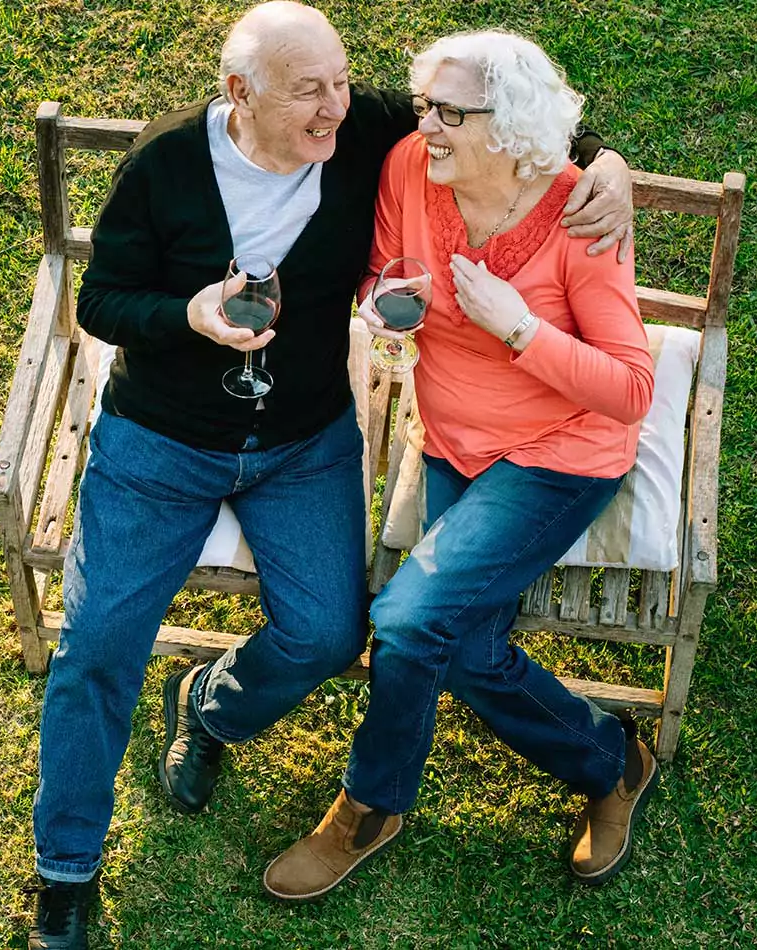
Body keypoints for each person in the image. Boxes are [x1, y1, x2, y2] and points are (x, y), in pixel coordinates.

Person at [26, 6, 635, 947]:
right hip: (163, 440)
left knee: (333, 631)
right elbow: (103, 299)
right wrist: (187, 315)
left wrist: (603, 163)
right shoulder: (170, 165)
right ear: (241, 94)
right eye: (310, 90)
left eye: (344, 83)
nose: (337, 108)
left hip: (303, 439)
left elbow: (517, 116)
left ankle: (214, 708)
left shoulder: (369, 135)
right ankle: (66, 871)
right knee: (101, 641)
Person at [258, 30, 659, 904]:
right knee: (468, 647)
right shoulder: (410, 167)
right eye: (424, 106)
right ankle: (610, 758)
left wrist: (520, 329)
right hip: (453, 440)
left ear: (510, 128)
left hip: (556, 459)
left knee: (405, 621)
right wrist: (384, 307)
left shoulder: (579, 221)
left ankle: (369, 806)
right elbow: (379, 271)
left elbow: (630, 389)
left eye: (447, 112)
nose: (425, 124)